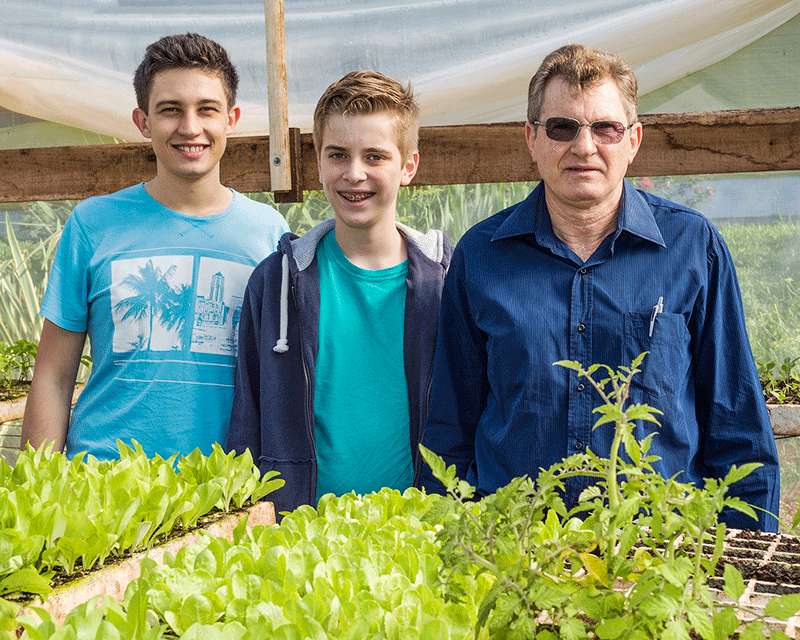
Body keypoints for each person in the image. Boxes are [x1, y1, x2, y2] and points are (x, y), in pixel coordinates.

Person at [421, 44, 780, 532]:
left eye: (605, 128)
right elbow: (451, 429)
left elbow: (736, 424)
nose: (584, 147)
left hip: (660, 554)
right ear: (532, 138)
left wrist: (747, 565)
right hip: (515, 547)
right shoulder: (481, 256)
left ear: (632, 140)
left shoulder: (693, 248)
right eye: (562, 128)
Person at [21, 33, 289, 461]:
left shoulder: (268, 232)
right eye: (170, 110)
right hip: (103, 482)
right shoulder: (92, 224)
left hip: (225, 488)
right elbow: (53, 376)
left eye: (207, 109)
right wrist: (40, 489)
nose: (190, 127)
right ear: (143, 122)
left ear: (231, 118)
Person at [227, 70, 452, 517]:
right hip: (301, 536)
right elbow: (247, 419)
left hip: (422, 533)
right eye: (338, 155)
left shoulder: (447, 281)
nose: (354, 174)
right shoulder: (276, 282)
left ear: (408, 166)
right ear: (317, 163)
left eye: (375, 156)